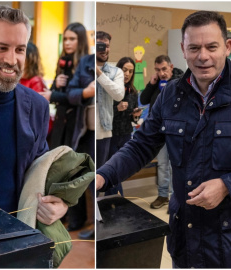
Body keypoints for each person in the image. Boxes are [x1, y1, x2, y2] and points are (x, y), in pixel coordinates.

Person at [96, 10, 231, 268]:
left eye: (211, 47)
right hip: (185, 240)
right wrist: (103, 175)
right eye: (194, 48)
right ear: (183, 49)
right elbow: (140, 146)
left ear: (227, 47)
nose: (203, 56)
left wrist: (226, 185)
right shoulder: (170, 96)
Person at [0, 6, 67, 225]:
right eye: (2, 48)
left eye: (20, 49)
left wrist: (60, 204)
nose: (11, 60)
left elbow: (42, 172)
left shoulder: (38, 106)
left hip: (18, 234)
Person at [140, 55, 184, 209]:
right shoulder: (156, 83)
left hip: (176, 130)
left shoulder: (181, 81)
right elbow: (144, 100)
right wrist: (152, 84)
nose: (162, 73)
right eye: (158, 70)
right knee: (162, 165)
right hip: (159, 130)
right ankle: (163, 195)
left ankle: (174, 198)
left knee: (174, 165)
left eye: (164, 69)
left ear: (171, 67)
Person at [40, 22, 88, 150]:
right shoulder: (63, 61)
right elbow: (53, 92)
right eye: (65, 39)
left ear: (81, 41)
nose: (67, 43)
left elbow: (79, 97)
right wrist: (55, 85)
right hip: (60, 119)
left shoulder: (85, 66)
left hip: (76, 122)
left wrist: (53, 95)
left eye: (72, 39)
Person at [66, 53, 95, 237]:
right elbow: (71, 93)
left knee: (99, 182)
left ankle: (99, 227)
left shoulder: (114, 70)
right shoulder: (85, 62)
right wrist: (86, 92)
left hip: (103, 135)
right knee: (77, 177)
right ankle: (79, 221)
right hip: (84, 132)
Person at [105, 57, 142, 196]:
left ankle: (114, 199)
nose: (127, 74)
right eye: (124, 70)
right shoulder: (110, 89)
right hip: (111, 134)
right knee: (113, 168)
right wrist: (117, 109)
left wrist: (135, 115)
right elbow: (104, 114)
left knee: (120, 168)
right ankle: (117, 198)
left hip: (126, 134)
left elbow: (134, 119)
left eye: (130, 71)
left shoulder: (133, 91)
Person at [96, 31, 124, 169]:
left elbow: (119, 95)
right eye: (100, 46)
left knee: (99, 174)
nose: (104, 50)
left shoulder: (116, 72)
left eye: (107, 46)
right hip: (83, 131)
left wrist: (98, 73)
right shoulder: (83, 68)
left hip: (104, 130)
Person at [20, 42, 53, 134]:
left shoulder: (36, 81)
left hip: (34, 129)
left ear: (30, 59)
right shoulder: (19, 79)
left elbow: (37, 111)